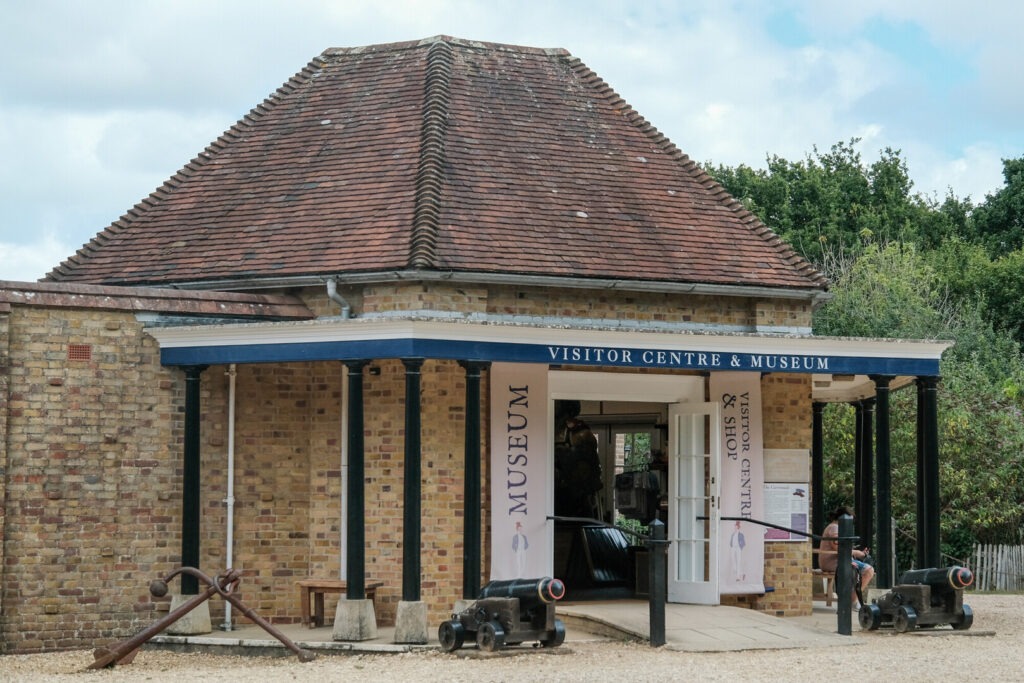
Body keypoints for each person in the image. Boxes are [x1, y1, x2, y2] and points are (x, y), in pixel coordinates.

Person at [819, 505, 874, 609]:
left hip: (839, 560)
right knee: (868, 570)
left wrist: (856, 552)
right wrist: (857, 553)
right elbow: (838, 548)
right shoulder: (834, 528)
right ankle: (853, 600)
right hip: (833, 562)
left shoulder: (835, 527)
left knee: (866, 570)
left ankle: (853, 600)